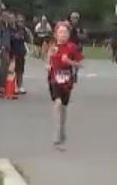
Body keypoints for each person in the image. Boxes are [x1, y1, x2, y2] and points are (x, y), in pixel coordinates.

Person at [47, 21, 84, 149]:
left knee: (63, 106)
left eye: (65, 32)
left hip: (67, 81)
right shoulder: (53, 47)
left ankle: (62, 128)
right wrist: (48, 65)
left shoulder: (72, 47)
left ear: (69, 34)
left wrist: (69, 61)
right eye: (60, 32)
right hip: (54, 80)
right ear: (55, 35)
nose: (62, 35)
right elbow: (49, 60)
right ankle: (57, 131)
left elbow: (80, 64)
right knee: (57, 103)